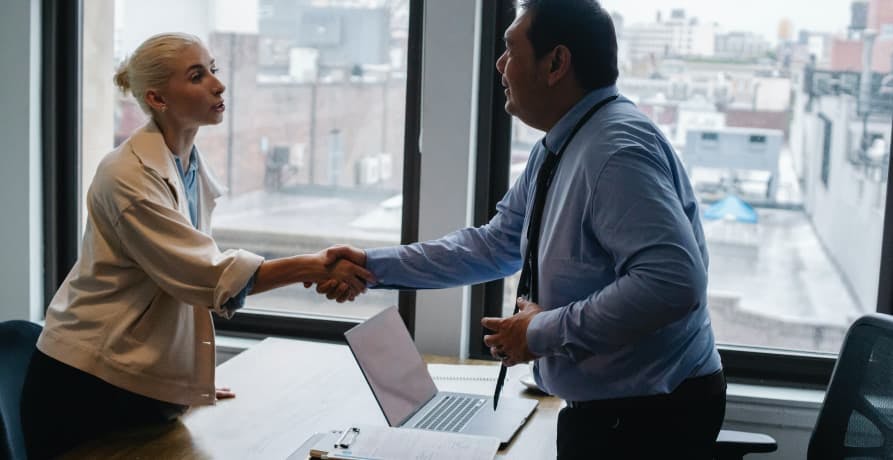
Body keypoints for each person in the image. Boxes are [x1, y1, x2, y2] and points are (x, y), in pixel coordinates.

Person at [319, 1, 725, 458]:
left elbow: (672, 283)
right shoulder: (561, 145)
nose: (499, 64)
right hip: (615, 410)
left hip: (646, 419)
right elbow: (494, 246)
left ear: (556, 63)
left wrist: (538, 332)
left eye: (511, 50)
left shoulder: (615, 153)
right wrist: (371, 266)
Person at [19, 33, 373, 460]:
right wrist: (313, 267)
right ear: (157, 98)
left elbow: (184, 281)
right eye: (196, 76)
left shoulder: (185, 164)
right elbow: (205, 275)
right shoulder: (127, 177)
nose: (218, 85)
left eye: (213, 70)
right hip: (88, 385)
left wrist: (183, 378)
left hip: (134, 377)